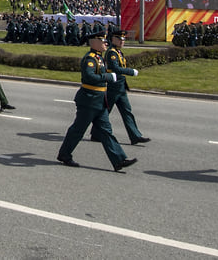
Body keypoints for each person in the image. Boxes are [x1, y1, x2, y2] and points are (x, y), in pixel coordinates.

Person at [56, 34, 136, 171]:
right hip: (89, 100)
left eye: (106, 41)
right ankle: (64, 154)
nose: (106, 43)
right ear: (94, 43)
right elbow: (89, 76)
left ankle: (119, 160)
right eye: (102, 41)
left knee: (106, 132)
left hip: (99, 101)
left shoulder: (99, 57)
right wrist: (108, 76)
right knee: (78, 130)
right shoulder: (90, 59)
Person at [100, 32, 150, 145]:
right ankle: (97, 133)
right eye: (120, 39)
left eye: (123, 39)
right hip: (114, 86)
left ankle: (135, 136)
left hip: (120, 86)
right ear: (113, 39)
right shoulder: (111, 52)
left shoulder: (118, 51)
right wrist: (130, 71)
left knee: (127, 112)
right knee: (104, 111)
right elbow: (115, 68)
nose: (123, 41)